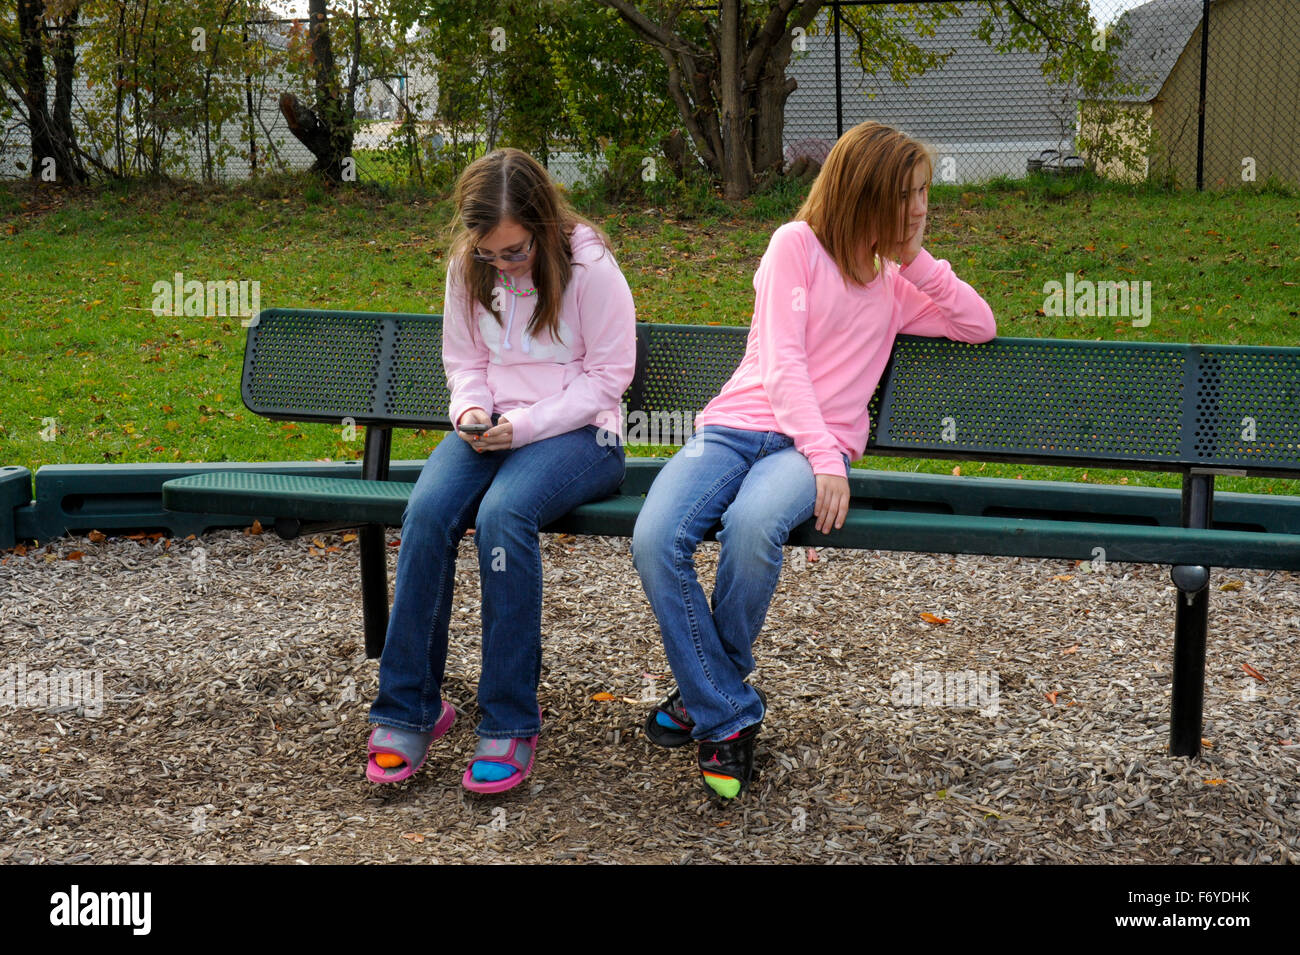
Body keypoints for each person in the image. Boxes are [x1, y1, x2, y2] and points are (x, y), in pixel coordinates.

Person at [631, 121, 997, 800]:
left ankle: (706, 696)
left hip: (807, 452)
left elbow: (978, 323)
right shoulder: (794, 247)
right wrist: (828, 456)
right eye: (908, 194)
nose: (922, 207)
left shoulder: (893, 280)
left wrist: (916, 259)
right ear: (866, 193)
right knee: (655, 536)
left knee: (752, 525)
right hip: (739, 427)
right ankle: (727, 708)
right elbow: (782, 364)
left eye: (924, 192)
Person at [366, 148, 636, 793]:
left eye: (514, 251)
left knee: (502, 517)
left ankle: (510, 720)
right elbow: (463, 362)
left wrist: (530, 425)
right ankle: (411, 709)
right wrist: (471, 412)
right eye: (490, 253)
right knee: (427, 515)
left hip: (579, 435)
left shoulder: (590, 268)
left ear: (543, 227)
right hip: (491, 430)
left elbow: (609, 378)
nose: (502, 264)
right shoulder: (470, 267)